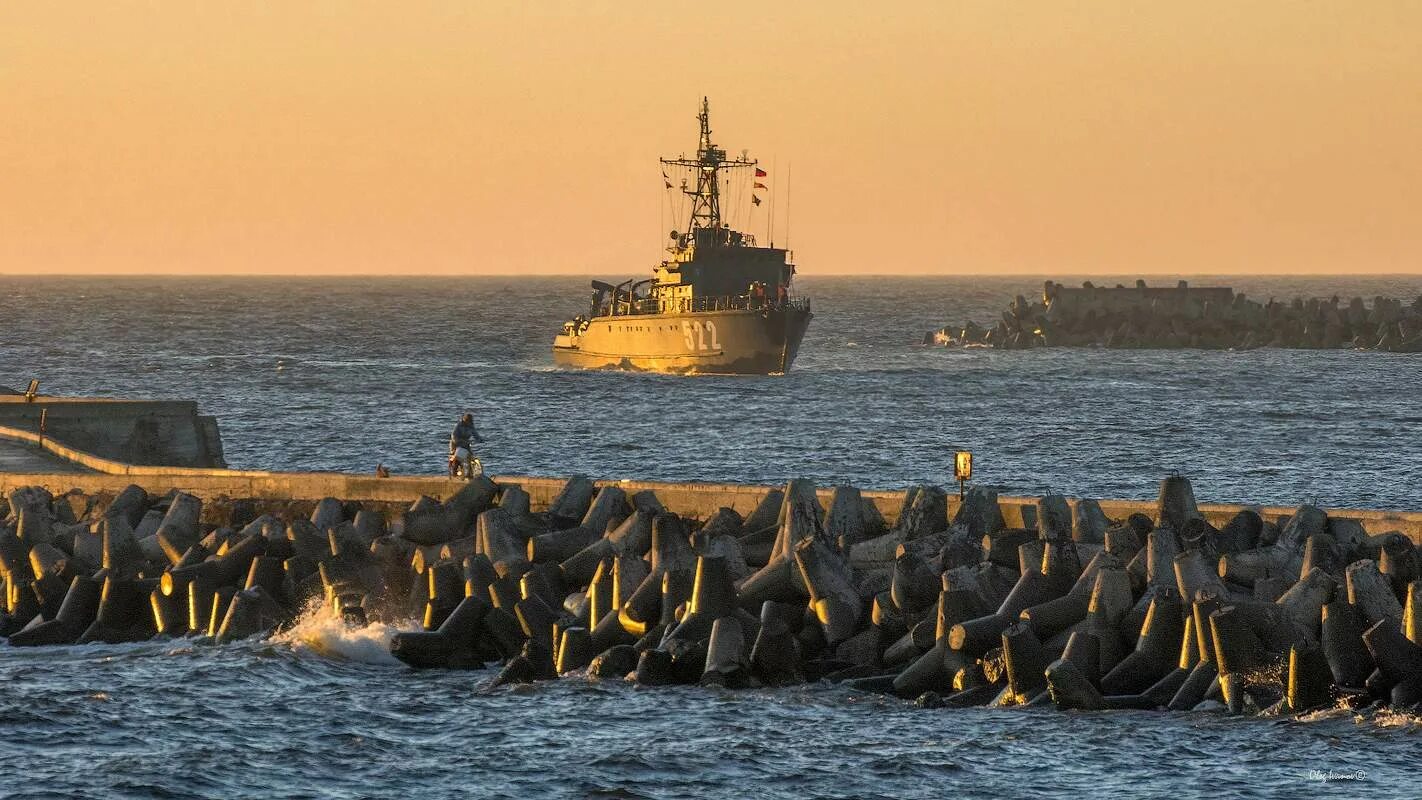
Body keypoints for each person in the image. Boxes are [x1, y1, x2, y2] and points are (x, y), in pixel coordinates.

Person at [449, 413, 484, 477]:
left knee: (470, 456)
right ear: (464, 420)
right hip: (456, 443)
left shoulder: (471, 426)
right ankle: (454, 471)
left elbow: (475, 434)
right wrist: (458, 441)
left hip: (466, 443)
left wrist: (480, 439)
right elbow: (453, 436)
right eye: (468, 420)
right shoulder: (458, 426)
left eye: (470, 421)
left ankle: (469, 473)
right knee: (458, 456)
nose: (469, 422)